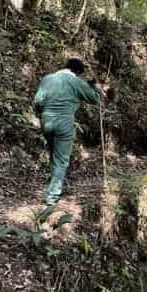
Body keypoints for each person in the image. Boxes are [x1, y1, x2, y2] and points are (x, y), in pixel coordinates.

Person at [33, 58, 102, 205]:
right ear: (77, 72)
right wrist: (95, 87)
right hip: (64, 122)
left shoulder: (47, 79)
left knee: (53, 156)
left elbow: (38, 102)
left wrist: (41, 115)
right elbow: (95, 99)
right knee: (61, 160)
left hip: (46, 121)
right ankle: (52, 196)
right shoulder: (76, 82)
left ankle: (53, 186)